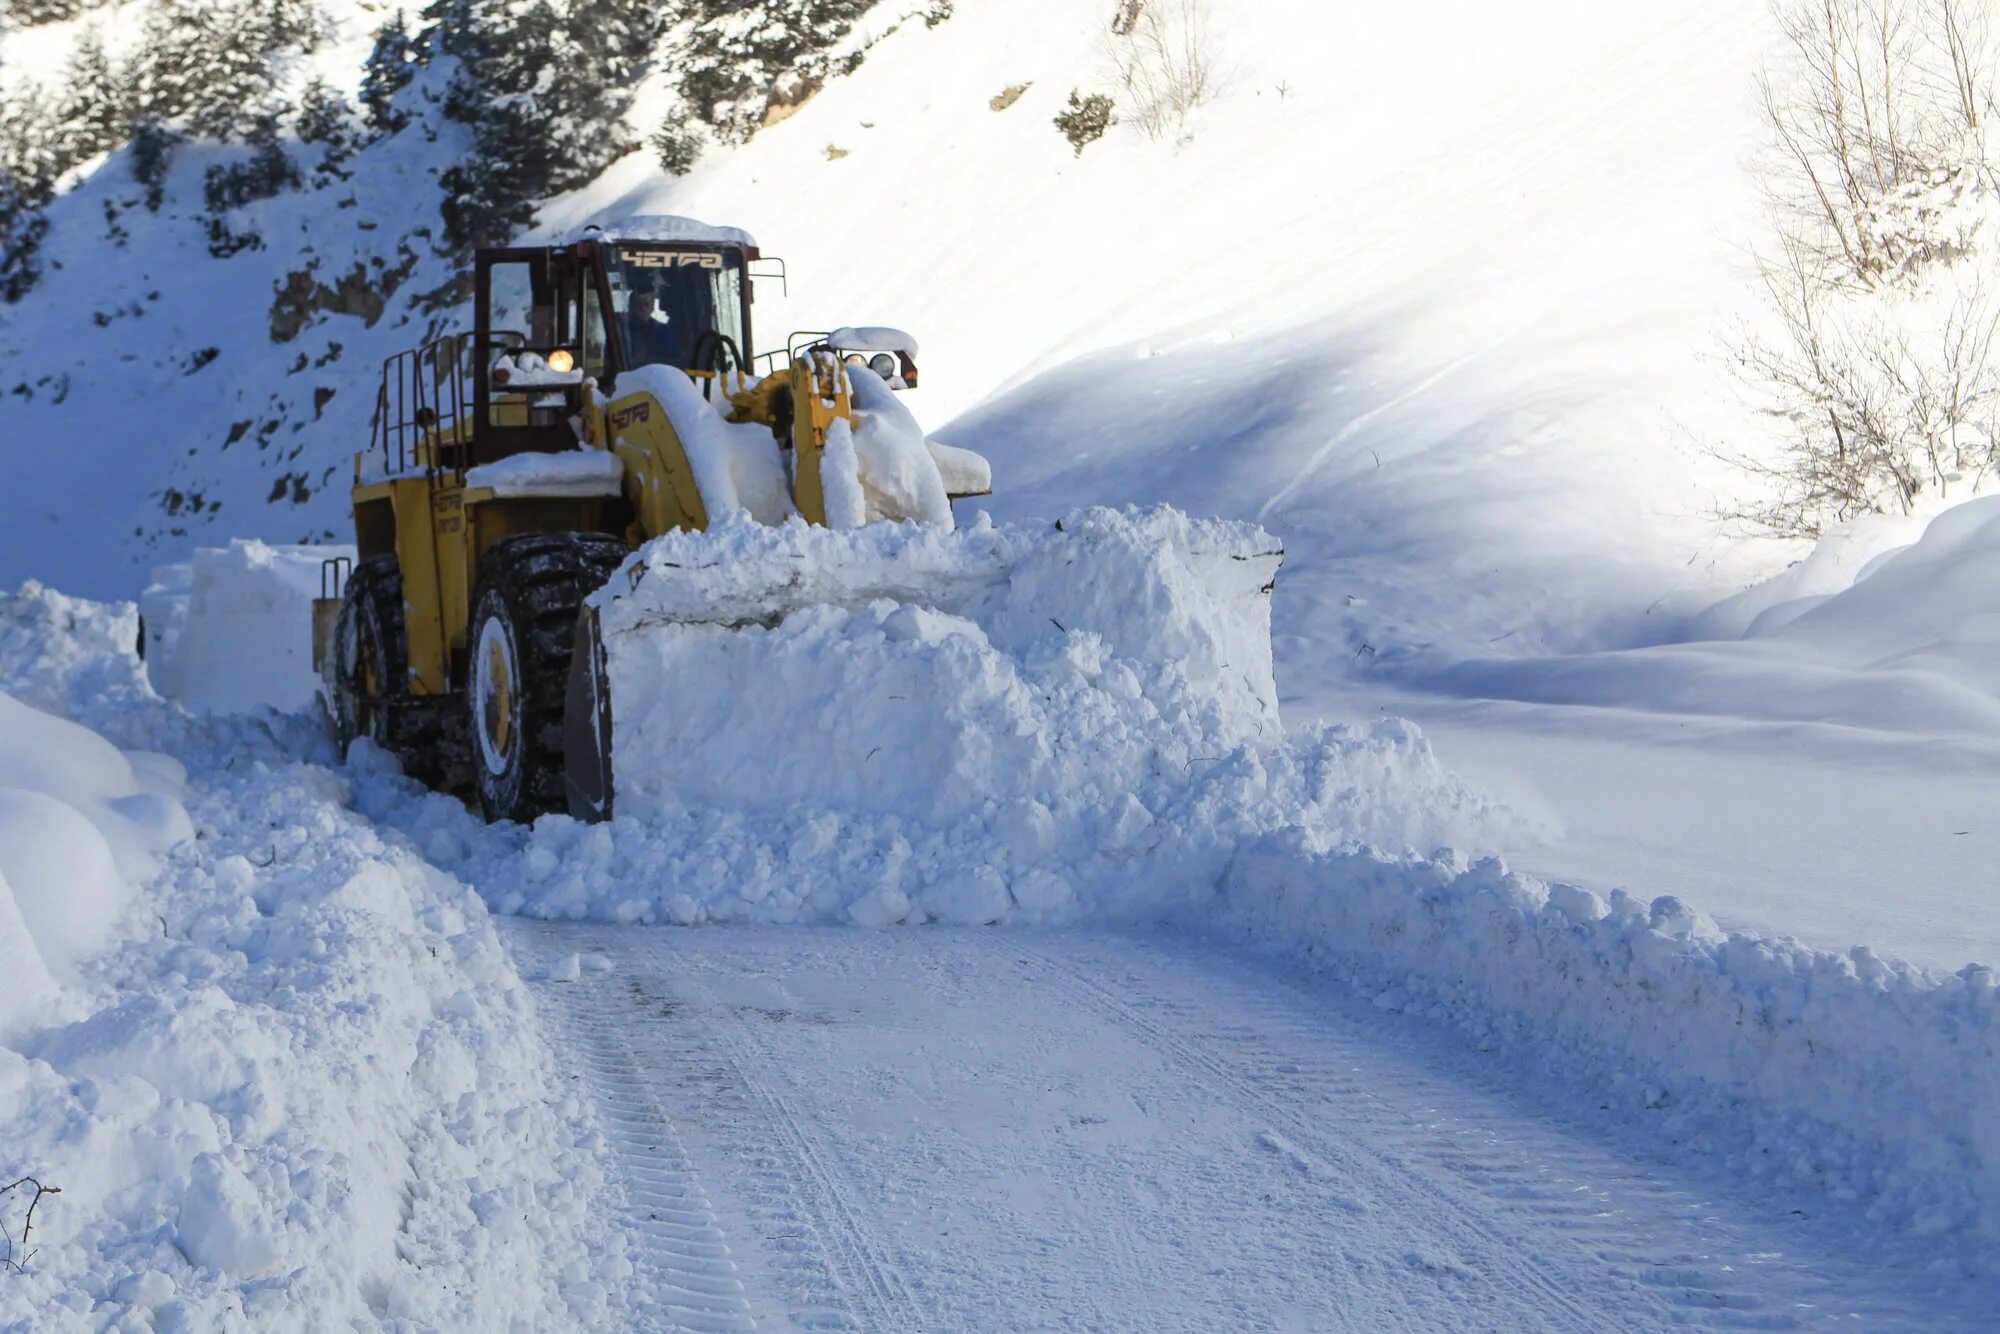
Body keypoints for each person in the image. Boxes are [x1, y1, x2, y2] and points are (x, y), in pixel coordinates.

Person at [624, 288, 690, 369]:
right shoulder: (621, 331)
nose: (642, 309)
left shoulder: (663, 332)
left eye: (646, 304)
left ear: (652, 308)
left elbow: (675, 362)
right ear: (630, 307)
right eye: (638, 305)